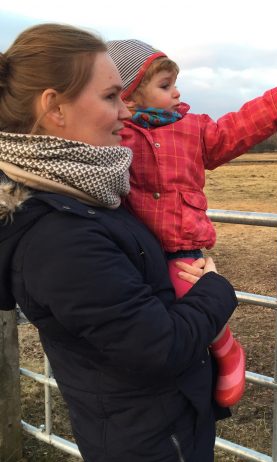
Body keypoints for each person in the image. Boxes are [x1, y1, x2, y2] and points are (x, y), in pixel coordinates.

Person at [0, 23, 238, 462]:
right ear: (54, 108)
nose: (127, 114)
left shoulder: (87, 195)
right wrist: (217, 289)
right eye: (111, 97)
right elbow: (159, 346)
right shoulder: (59, 235)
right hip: (150, 444)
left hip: (159, 426)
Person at [106, 38, 277, 407]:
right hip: (137, 245)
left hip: (182, 244)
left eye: (175, 83)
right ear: (128, 97)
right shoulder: (118, 134)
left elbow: (230, 132)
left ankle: (227, 350)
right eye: (165, 86)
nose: (177, 92)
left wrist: (272, 107)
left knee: (188, 294)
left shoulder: (192, 128)